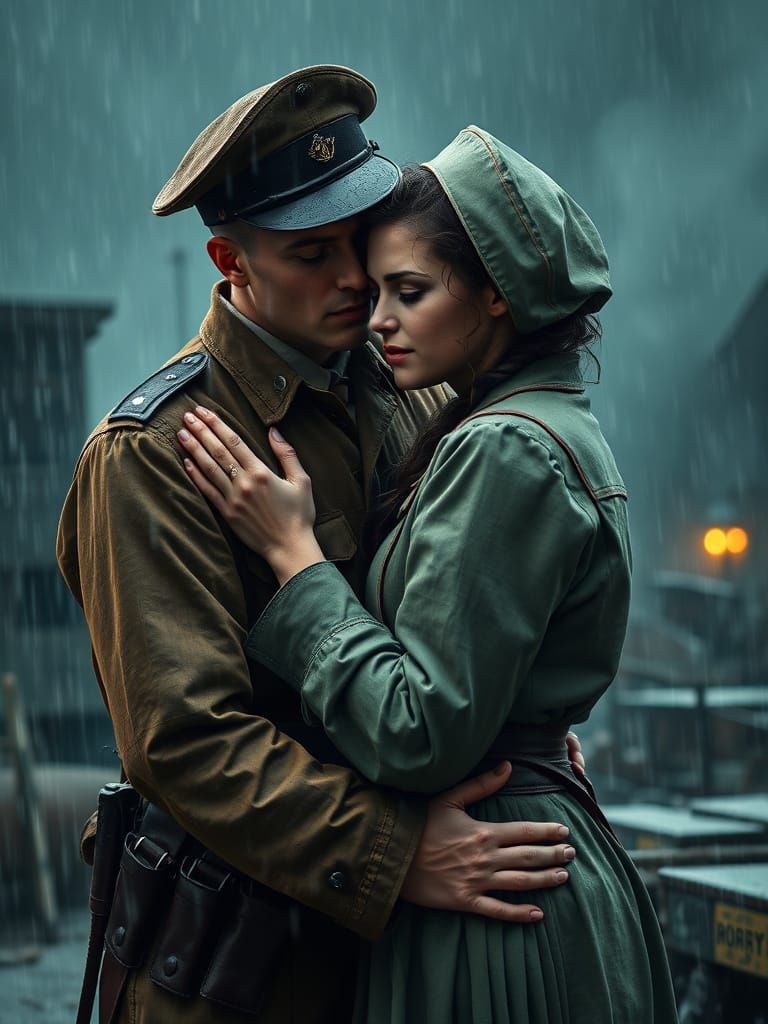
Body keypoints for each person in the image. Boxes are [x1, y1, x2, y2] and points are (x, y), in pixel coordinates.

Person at [57, 69, 584, 1024]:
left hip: (399, 961)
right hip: (240, 971)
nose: (352, 280)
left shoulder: (416, 389)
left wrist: (517, 719)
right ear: (231, 261)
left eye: (361, 241)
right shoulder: (154, 454)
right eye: (311, 254)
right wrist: (396, 850)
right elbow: (188, 739)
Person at [178, 127, 680, 1023]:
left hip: (494, 896)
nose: (376, 318)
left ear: (497, 296)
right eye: (376, 291)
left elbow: (419, 733)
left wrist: (297, 564)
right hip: (506, 860)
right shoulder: (522, 423)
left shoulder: (503, 448)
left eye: (408, 292)